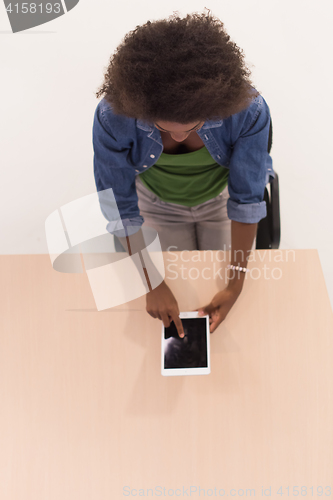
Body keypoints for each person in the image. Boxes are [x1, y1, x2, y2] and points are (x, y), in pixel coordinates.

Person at [92, 10, 275, 336]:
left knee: (214, 291)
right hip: (155, 204)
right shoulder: (113, 114)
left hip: (221, 201)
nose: (178, 137)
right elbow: (119, 205)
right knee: (178, 294)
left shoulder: (249, 110)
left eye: (192, 126)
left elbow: (246, 198)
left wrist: (235, 284)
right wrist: (151, 282)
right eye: (164, 128)